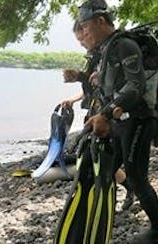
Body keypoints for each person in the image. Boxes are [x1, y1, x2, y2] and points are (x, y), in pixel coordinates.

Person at [81, 0, 158, 243]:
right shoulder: (107, 49)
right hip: (121, 122)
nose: (84, 32)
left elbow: (136, 85)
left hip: (138, 119)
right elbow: (113, 86)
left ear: (100, 21)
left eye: (86, 26)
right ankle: (98, 219)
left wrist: (105, 113)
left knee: (138, 176)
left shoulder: (125, 45)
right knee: (104, 169)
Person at [61, 21, 134, 212]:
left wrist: (107, 114)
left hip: (108, 114)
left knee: (102, 158)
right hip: (96, 112)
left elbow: (115, 87)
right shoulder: (95, 56)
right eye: (79, 38)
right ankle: (116, 194)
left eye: (83, 36)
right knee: (99, 158)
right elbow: (91, 89)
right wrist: (74, 96)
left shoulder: (109, 52)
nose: (82, 42)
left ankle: (123, 192)